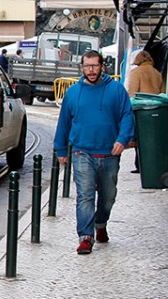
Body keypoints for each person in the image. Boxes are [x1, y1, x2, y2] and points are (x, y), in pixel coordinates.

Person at [53, 50, 135, 255]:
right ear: (82, 67)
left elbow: (127, 116)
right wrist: (61, 149)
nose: (91, 70)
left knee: (108, 197)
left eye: (95, 66)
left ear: (102, 66)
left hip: (109, 153)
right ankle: (85, 237)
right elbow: (64, 122)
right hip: (82, 153)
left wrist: (122, 139)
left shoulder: (116, 90)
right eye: (87, 66)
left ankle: (100, 223)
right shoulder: (72, 92)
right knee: (85, 196)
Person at [125, 49, 163, 174]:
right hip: (156, 108)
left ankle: (140, 165)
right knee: (152, 138)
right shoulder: (157, 73)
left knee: (139, 139)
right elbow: (162, 92)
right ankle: (152, 163)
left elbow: (131, 92)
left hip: (141, 109)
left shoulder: (136, 72)